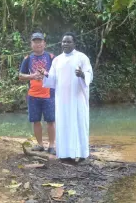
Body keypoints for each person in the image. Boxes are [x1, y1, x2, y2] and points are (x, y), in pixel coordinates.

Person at [42, 32, 93, 160]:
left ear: (74, 43)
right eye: (64, 41)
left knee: (79, 123)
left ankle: (81, 154)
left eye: (68, 41)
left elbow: (89, 75)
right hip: (62, 99)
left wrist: (82, 74)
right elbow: (53, 79)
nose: (65, 44)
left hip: (77, 98)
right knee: (63, 124)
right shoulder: (57, 60)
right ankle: (64, 154)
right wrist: (46, 74)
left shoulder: (82, 57)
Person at [19, 32, 56, 154]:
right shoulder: (28, 59)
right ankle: (40, 144)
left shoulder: (51, 57)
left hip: (49, 94)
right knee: (36, 120)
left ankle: (51, 145)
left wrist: (46, 73)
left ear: (44, 43)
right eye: (35, 41)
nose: (38, 44)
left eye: (40, 41)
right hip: (33, 95)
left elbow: (58, 75)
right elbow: (20, 76)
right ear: (31, 44)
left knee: (51, 120)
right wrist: (33, 75)